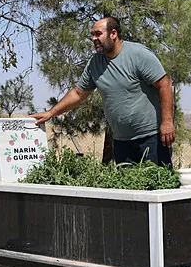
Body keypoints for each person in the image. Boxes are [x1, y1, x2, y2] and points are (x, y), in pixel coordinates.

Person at [32, 17, 175, 167]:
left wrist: (167, 122)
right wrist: (51, 113)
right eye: (92, 35)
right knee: (128, 188)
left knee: (159, 186)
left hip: (151, 137)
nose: (94, 38)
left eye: (98, 34)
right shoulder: (95, 63)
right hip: (121, 142)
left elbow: (164, 85)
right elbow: (78, 93)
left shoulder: (138, 54)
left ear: (113, 34)